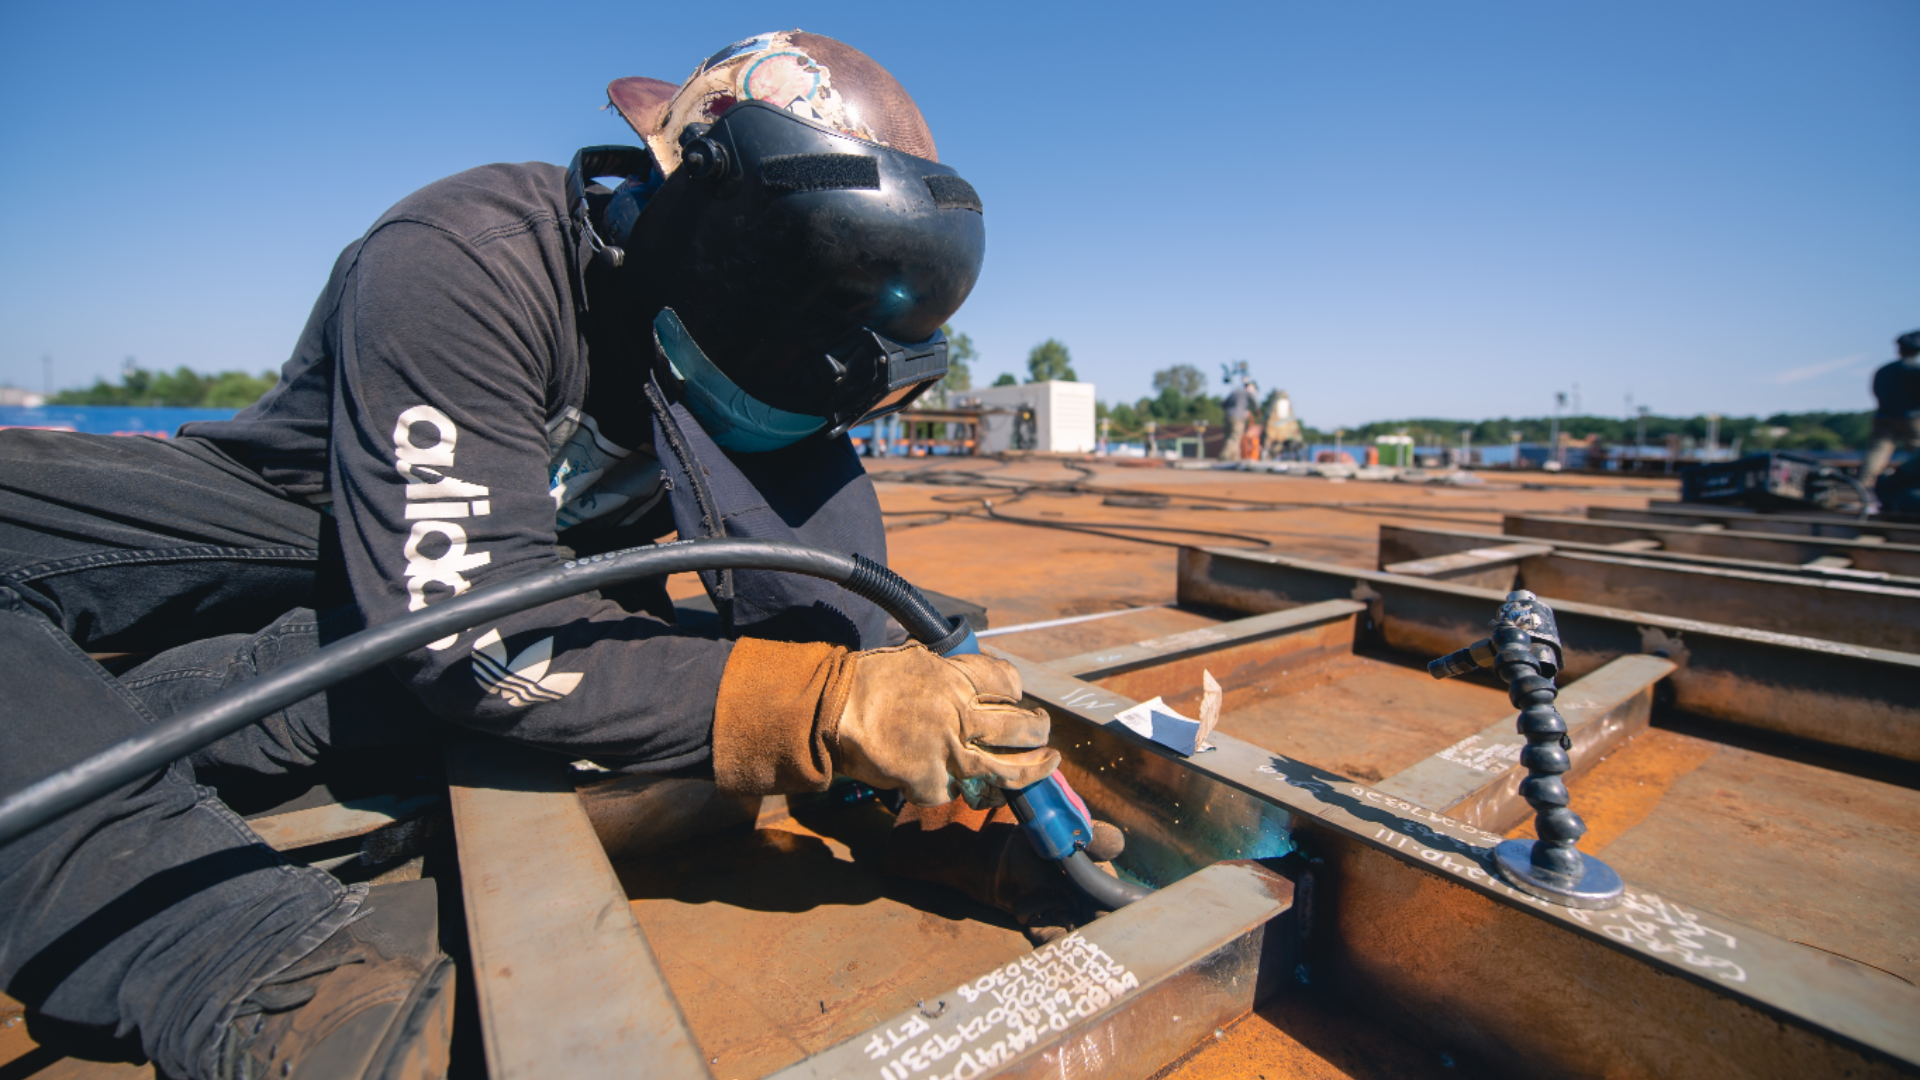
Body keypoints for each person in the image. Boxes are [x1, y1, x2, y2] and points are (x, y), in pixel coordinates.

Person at [0, 33, 1097, 1080]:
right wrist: (819, 707)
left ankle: (122, 727)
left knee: (630, 668)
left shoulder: (777, 348)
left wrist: (916, 791)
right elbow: (478, 633)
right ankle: (276, 987)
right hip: (296, 525)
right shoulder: (466, 256)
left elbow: (827, 631)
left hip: (441, 605)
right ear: (695, 211)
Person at [1862, 330, 1920, 483]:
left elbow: (1876, 391)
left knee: (1877, 451)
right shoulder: (1916, 370)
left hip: (1884, 415)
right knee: (1917, 450)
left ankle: (1865, 485)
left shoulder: (1884, 370)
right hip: (1913, 418)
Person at [1221, 376, 1257, 462]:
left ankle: (1235, 458)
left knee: (1230, 437)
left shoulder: (1235, 392)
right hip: (1237, 418)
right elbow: (1255, 404)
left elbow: (1223, 404)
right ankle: (1224, 455)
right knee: (1234, 437)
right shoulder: (1248, 393)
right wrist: (1256, 411)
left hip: (1227, 416)